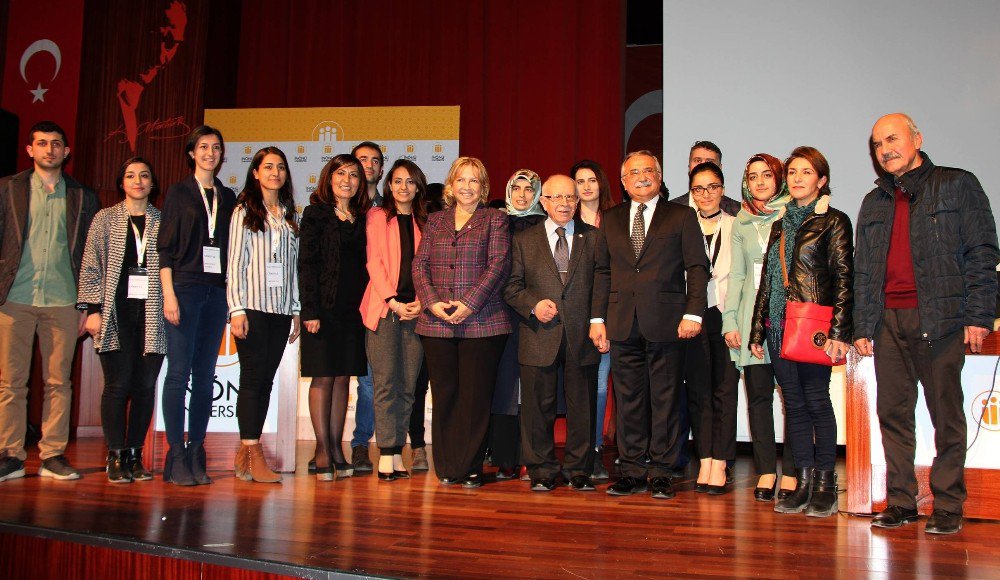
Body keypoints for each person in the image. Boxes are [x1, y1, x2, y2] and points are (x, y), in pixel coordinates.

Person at [856, 113, 999, 535]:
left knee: (946, 415)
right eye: (878, 143)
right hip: (886, 323)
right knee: (893, 414)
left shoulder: (957, 184)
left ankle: (949, 504)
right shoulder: (873, 201)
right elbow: (865, 269)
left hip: (938, 318)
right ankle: (901, 501)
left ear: (917, 139)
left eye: (893, 139)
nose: (885, 149)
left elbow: (981, 251)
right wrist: (863, 325)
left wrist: (979, 314)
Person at [590, 150, 709, 500]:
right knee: (628, 400)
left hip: (668, 323)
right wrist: (597, 319)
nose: (642, 177)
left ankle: (661, 470)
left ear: (659, 176)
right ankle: (630, 470)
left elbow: (697, 268)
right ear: (623, 182)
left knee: (665, 399)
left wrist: (694, 313)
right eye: (633, 173)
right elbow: (602, 271)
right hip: (622, 323)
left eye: (648, 171)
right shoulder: (609, 219)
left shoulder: (682, 216)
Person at [749, 146, 853, 518]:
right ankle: (803, 482)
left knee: (816, 401)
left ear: (821, 180)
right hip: (778, 326)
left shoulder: (834, 221)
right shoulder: (779, 223)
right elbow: (769, 281)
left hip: (813, 328)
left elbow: (843, 279)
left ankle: (826, 485)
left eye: (806, 172)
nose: (796, 178)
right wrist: (757, 330)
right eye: (792, 172)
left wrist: (840, 332)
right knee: (793, 404)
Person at [0, 121, 98, 483]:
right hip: (14, 299)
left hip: (63, 300)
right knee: (11, 383)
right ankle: (9, 455)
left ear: (66, 152)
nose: (49, 150)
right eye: (41, 143)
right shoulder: (7, 189)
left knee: (59, 382)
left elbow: (90, 255)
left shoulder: (83, 197)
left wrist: (88, 304)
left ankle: (52, 454)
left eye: (56, 144)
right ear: (30, 150)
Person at [413, 156, 512, 489]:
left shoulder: (494, 220)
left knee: (473, 399)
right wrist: (431, 303)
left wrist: (468, 305)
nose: (467, 186)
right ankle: (446, 465)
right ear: (451, 186)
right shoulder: (435, 221)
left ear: (482, 188)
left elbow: (498, 266)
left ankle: (469, 467)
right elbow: (419, 266)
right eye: (461, 180)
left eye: (474, 181)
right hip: (437, 322)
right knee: (445, 396)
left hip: (482, 323)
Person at [504, 174, 601, 492]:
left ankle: (579, 469)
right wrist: (532, 306)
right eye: (556, 197)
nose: (564, 203)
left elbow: (602, 285)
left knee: (582, 406)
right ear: (543, 201)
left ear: (577, 200)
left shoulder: (594, 237)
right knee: (536, 408)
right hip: (538, 333)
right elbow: (512, 287)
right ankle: (541, 470)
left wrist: (600, 322)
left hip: (581, 334)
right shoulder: (524, 239)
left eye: (570, 197)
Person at [158, 125, 236, 486]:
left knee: (206, 377)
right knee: (178, 374)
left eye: (216, 147)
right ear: (191, 153)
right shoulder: (178, 193)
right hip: (184, 289)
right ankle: (175, 453)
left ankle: (197, 450)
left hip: (216, 293)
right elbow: (165, 248)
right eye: (203, 147)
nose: (210, 153)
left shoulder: (228, 195)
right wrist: (168, 294)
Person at [78, 157, 164, 483]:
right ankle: (114, 454)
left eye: (144, 175)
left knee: (144, 387)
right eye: (130, 175)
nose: (138, 180)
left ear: (152, 183)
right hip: (115, 314)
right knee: (117, 385)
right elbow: (91, 265)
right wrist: (93, 309)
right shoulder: (105, 219)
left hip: (152, 316)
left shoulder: (161, 220)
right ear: (122, 182)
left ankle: (134, 453)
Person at [721, 153, 796, 502]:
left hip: (789, 320)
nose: (760, 182)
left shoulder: (795, 214)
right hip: (753, 322)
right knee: (759, 399)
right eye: (753, 177)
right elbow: (737, 275)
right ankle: (766, 471)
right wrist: (730, 320)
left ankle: (793, 472)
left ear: (779, 178)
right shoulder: (741, 221)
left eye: (767, 175)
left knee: (794, 399)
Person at [227, 147, 301, 483]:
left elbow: (293, 269)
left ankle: (246, 456)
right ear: (255, 172)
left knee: (265, 381)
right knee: (253, 380)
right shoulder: (244, 210)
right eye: (268, 167)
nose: (275, 172)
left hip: (282, 309)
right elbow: (235, 264)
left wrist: (297, 309)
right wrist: (236, 309)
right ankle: (251, 451)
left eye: (281, 167)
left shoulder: (288, 213)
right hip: (253, 308)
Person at [299, 154, 370, 481]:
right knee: (323, 378)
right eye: (341, 173)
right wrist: (310, 311)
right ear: (329, 178)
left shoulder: (364, 216)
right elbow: (307, 266)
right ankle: (322, 449)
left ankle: (337, 449)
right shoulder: (315, 214)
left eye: (354, 175)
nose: (347, 180)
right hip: (323, 311)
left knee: (344, 378)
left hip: (354, 312)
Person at [361, 159, 427, 481]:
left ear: (418, 187)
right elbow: (374, 263)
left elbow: (429, 269)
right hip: (385, 310)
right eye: (398, 181)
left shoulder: (425, 222)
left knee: (408, 387)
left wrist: (420, 301)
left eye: (410, 181)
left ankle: (398, 451)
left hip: (417, 312)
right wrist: (392, 301)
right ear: (389, 186)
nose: (404, 187)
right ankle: (386, 453)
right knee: (386, 384)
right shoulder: (377, 216)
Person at [685, 162, 739, 495]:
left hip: (726, 315)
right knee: (698, 391)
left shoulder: (738, 225)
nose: (706, 194)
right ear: (691, 192)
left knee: (725, 390)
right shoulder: (681, 225)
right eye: (699, 188)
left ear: (722, 189)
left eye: (712, 187)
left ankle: (721, 460)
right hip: (692, 316)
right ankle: (704, 456)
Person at [491, 169, 546, 480]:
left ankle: (531, 455)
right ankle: (504, 457)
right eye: (517, 188)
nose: (523, 195)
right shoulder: (496, 222)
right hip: (499, 314)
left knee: (532, 388)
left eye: (530, 189)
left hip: (533, 313)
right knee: (504, 387)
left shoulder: (543, 224)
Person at [571, 159, 616, 481]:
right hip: (571, 318)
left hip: (609, 317)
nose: (586, 186)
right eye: (580, 181)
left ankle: (596, 450)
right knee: (575, 388)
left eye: (591, 179)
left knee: (600, 387)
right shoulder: (565, 219)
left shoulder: (615, 220)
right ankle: (578, 450)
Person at [345, 141, 385, 474]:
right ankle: (349, 444)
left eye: (374, 160)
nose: (368, 165)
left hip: (379, 303)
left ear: (381, 169)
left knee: (371, 382)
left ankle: (364, 443)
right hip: (346, 305)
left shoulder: (390, 208)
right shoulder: (343, 207)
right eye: (362, 160)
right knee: (346, 379)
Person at [670, 141, 740, 215]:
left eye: (709, 161)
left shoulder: (739, 212)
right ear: (689, 167)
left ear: (720, 168)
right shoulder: (670, 210)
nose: (702, 165)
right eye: (697, 160)